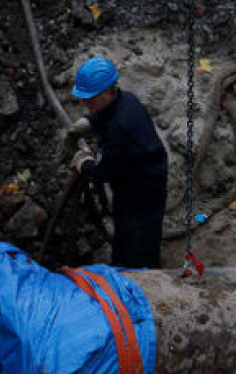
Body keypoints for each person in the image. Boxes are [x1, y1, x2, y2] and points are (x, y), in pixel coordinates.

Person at [67, 56, 168, 268]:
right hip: (139, 178)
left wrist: (84, 163)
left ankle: (144, 278)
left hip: (142, 190)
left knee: (138, 242)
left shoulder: (120, 128)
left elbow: (102, 172)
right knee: (125, 233)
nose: (85, 103)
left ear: (107, 92)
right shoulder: (125, 99)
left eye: (90, 98)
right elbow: (105, 116)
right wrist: (89, 121)